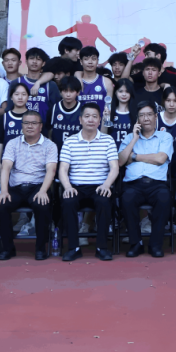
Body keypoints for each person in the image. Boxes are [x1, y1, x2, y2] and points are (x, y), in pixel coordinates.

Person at [0, 109, 58, 260]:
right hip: (16, 187)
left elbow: (51, 170)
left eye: (34, 123)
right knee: (1, 206)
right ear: (21, 125)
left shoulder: (50, 145)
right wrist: (4, 191)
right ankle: (8, 249)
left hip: (38, 186)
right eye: (26, 123)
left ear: (40, 126)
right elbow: (6, 168)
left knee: (42, 205)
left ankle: (40, 248)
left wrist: (43, 191)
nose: (30, 126)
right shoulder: (12, 143)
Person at [59, 102, 119, 261]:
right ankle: (73, 247)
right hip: (76, 187)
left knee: (104, 201)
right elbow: (63, 169)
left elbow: (114, 167)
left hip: (100, 186)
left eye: (94, 116)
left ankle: (102, 247)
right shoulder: (70, 141)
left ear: (100, 120)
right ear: (80, 120)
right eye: (87, 116)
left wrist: (106, 185)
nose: (90, 120)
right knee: (68, 202)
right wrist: (67, 187)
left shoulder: (108, 140)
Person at [119, 100, 174, 258]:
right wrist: (134, 140)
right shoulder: (130, 138)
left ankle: (155, 245)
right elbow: (121, 161)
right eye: (142, 115)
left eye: (149, 114)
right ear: (138, 119)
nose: (146, 118)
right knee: (126, 199)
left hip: (157, 184)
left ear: (156, 116)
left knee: (164, 198)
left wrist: (134, 157)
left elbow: (160, 159)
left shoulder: (165, 137)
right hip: (133, 184)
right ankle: (136, 244)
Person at [14, 48, 60, 121]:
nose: (34, 62)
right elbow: (10, 107)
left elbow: (56, 109)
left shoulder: (51, 85)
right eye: (31, 58)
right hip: (20, 125)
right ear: (26, 61)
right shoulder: (16, 82)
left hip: (43, 126)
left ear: (43, 63)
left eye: (38, 59)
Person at [46, 76, 83, 150]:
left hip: (77, 152)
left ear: (78, 92)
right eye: (65, 91)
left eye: (71, 91)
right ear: (60, 92)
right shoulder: (54, 108)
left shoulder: (83, 110)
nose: (68, 94)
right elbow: (48, 130)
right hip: (57, 152)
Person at [107, 78, 138, 148]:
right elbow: (104, 134)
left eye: (127, 91)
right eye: (120, 91)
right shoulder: (109, 112)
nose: (124, 94)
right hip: (112, 151)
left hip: (130, 151)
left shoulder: (137, 113)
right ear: (115, 92)